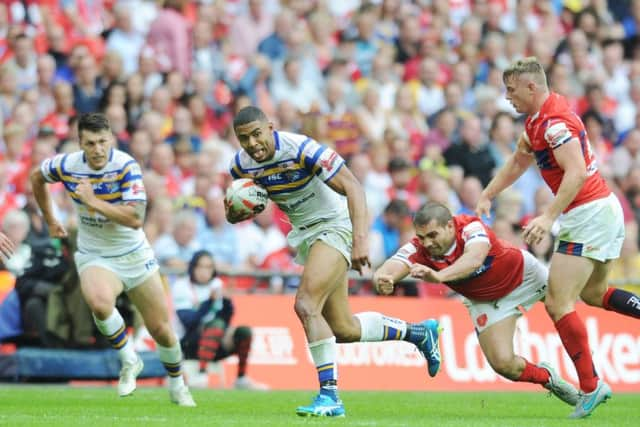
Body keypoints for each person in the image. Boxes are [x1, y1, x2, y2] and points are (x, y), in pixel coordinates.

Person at [226, 106, 441, 417]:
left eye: (257, 134)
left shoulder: (301, 149)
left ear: (270, 127)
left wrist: (360, 241)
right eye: (244, 138)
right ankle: (419, 333)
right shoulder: (241, 165)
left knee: (305, 305)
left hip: (335, 225)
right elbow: (236, 211)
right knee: (344, 329)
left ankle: (330, 397)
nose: (252, 143)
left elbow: (353, 187)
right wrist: (235, 213)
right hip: (306, 234)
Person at [476, 57, 640, 418]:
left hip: (588, 213)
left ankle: (591, 386)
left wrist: (548, 216)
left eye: (512, 89)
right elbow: (519, 160)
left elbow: (577, 172)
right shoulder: (540, 119)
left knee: (558, 303)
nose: (507, 97)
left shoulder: (553, 124)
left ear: (531, 87)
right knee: (594, 294)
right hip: (600, 209)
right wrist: (489, 193)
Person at [30, 113, 195, 407]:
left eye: (102, 141)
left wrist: (93, 201)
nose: (97, 149)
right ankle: (129, 360)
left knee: (161, 330)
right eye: (90, 143)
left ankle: (177, 383)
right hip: (95, 253)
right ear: (80, 143)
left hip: (134, 254)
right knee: (99, 301)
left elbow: (135, 219)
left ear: (112, 140)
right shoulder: (67, 165)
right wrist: (50, 217)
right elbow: (36, 177)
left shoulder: (126, 166)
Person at [374, 202, 579, 408]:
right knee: (504, 364)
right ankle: (548, 378)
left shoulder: (471, 227)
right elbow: (391, 267)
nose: (427, 243)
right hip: (485, 300)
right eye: (422, 237)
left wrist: (439, 276)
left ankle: (591, 383)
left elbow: (474, 259)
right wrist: (382, 278)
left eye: (433, 235)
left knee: (572, 304)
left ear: (450, 226)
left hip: (524, 275)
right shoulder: (419, 248)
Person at [172, 250, 267, 390]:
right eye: (201, 267)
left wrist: (227, 303)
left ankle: (241, 378)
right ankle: (201, 374)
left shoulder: (217, 284)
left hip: (214, 342)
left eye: (209, 267)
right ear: (193, 267)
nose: (204, 271)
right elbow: (189, 322)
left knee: (243, 332)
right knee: (216, 325)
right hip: (188, 343)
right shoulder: (182, 286)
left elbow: (225, 322)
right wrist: (209, 302)